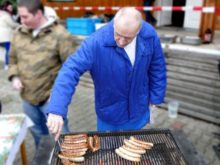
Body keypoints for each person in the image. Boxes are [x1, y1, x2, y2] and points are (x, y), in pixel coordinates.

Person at [47, 7, 167, 141]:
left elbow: (157, 66)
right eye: (118, 34)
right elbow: (70, 70)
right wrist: (57, 108)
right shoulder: (95, 42)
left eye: (127, 38)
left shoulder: (149, 35)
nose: (121, 42)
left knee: (135, 154)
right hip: (110, 116)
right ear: (114, 23)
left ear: (138, 31)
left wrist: (156, 97)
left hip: (139, 110)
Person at [8, 0, 76, 147]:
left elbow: (71, 69)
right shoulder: (18, 33)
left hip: (51, 102)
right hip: (27, 100)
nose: (21, 20)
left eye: (25, 16)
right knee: (38, 135)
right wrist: (14, 77)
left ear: (38, 14)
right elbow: (12, 59)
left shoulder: (61, 35)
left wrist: (59, 94)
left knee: (61, 138)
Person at [0, 0, 19, 69]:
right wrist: (20, 25)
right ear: (6, 7)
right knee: (9, 50)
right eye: (10, 7)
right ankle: (7, 64)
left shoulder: (2, 14)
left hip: (3, 36)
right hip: (7, 36)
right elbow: (12, 24)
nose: (11, 8)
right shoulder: (5, 15)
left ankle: (8, 64)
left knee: (8, 50)